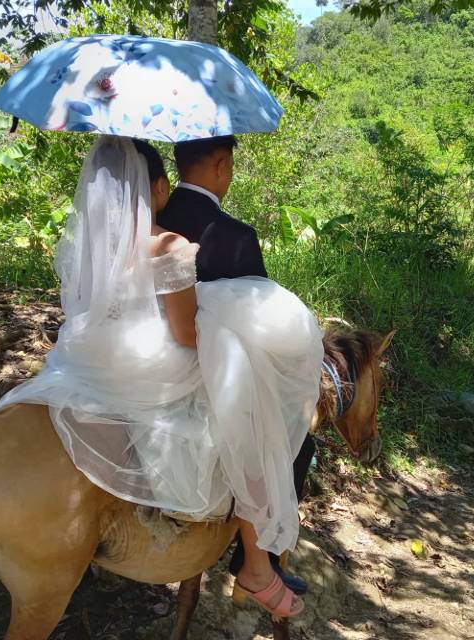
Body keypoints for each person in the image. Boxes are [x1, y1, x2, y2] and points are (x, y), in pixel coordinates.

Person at [0, 135, 321, 618]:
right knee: (250, 430)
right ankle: (255, 565)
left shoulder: (85, 249)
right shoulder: (169, 244)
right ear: (158, 188)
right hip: (150, 367)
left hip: (87, 360)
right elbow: (186, 335)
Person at [157, 135, 317, 597]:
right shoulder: (235, 234)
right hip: (207, 366)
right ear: (222, 166)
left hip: (148, 354)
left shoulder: (150, 223)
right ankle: (254, 561)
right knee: (297, 444)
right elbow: (263, 324)